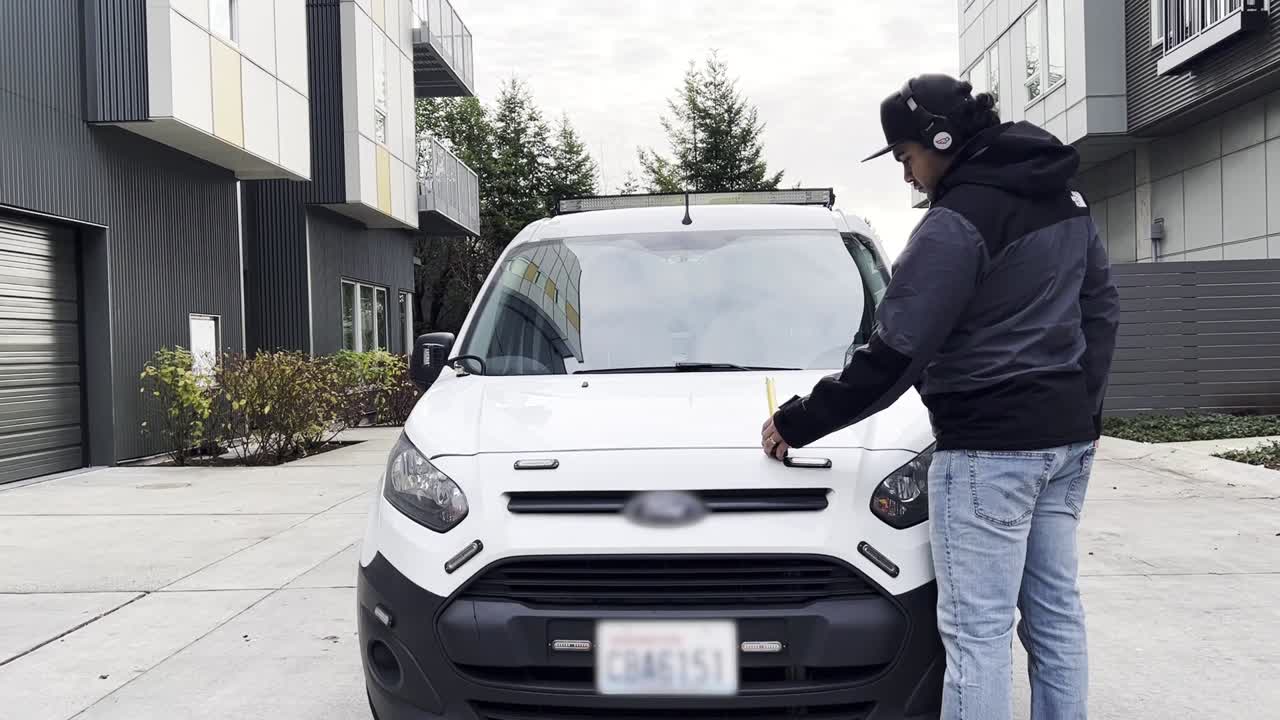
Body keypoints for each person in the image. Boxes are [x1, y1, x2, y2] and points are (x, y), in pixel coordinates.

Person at [760, 74, 1119, 720]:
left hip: (989, 451)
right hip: (1062, 446)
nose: (906, 176)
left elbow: (894, 353)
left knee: (977, 636)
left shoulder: (957, 222)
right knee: (1056, 618)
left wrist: (799, 421)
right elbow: (1101, 308)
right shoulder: (1066, 198)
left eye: (905, 157)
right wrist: (1082, 411)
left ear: (940, 139)